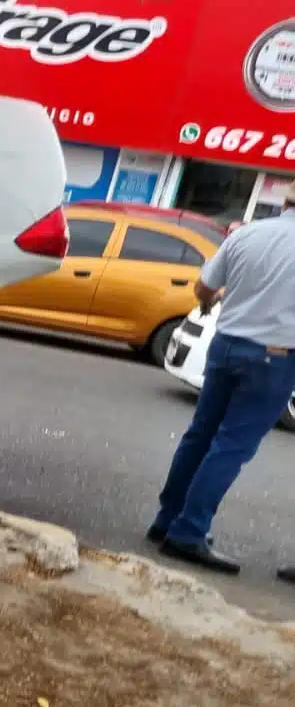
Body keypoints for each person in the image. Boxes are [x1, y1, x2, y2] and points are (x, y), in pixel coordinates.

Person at [148, 187, 295, 578]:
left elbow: (205, 287)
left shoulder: (247, 234)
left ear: (284, 203)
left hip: (226, 346)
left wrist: (210, 303)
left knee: (201, 434)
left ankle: (167, 519)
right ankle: (189, 531)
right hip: (274, 357)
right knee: (230, 446)